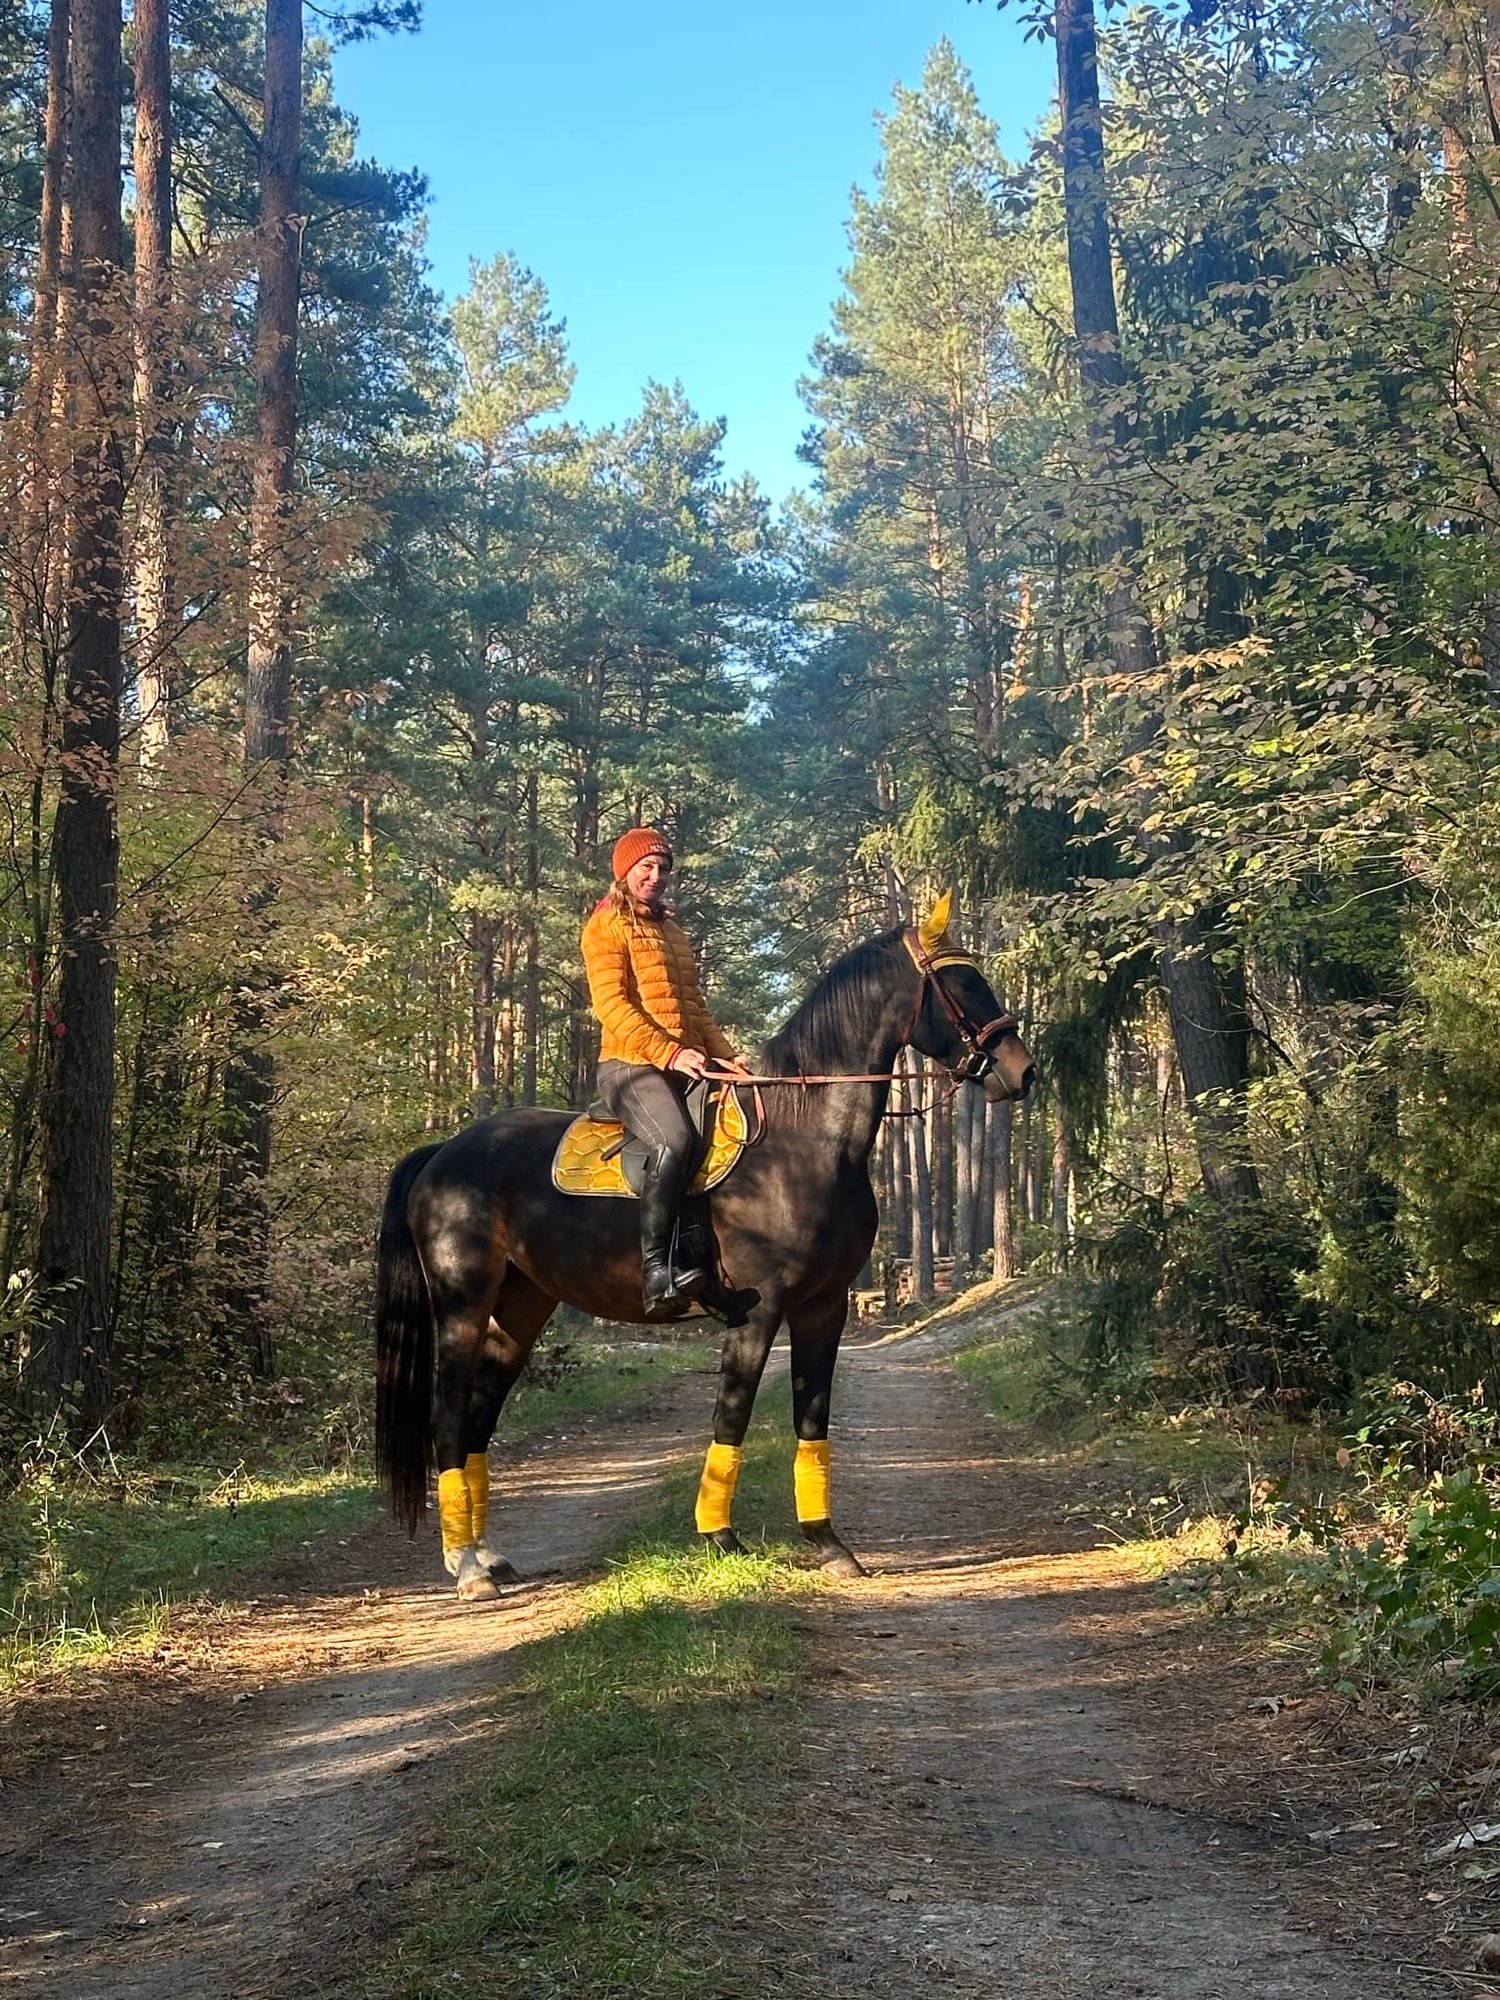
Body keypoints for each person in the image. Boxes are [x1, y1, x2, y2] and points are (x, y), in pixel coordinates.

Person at [581, 827, 749, 1317]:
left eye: (663, 869)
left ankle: (704, 1260)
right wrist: (669, 1054)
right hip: (628, 1066)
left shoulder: (673, 932)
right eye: (646, 867)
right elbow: (611, 1005)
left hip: (683, 1064)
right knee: (673, 1140)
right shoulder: (605, 926)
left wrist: (725, 1057)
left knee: (724, 1138)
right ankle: (656, 1271)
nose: (655, 877)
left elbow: (695, 1009)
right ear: (625, 871)